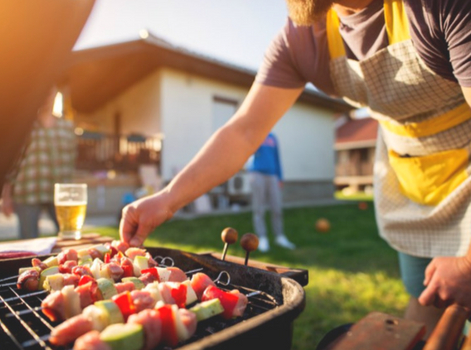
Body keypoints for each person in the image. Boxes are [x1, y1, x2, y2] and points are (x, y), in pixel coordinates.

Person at [120, 0, 471, 336]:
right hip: (411, 177)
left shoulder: (441, 6)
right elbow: (243, 132)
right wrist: (166, 199)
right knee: (428, 294)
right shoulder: (302, 39)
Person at [0, 87, 77, 239]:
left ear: (55, 94)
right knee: (28, 244)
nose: (47, 96)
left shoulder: (67, 126)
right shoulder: (23, 126)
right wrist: (6, 196)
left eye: (50, 91)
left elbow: (71, 162)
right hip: (27, 192)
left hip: (59, 195)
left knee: (69, 238)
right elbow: (11, 164)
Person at [246, 132, 295, 252]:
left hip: (273, 175)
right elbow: (247, 153)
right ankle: (262, 238)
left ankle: (279, 236)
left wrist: (280, 177)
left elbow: (277, 158)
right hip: (257, 174)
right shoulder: (255, 134)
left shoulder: (273, 138)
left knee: (277, 207)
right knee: (259, 208)